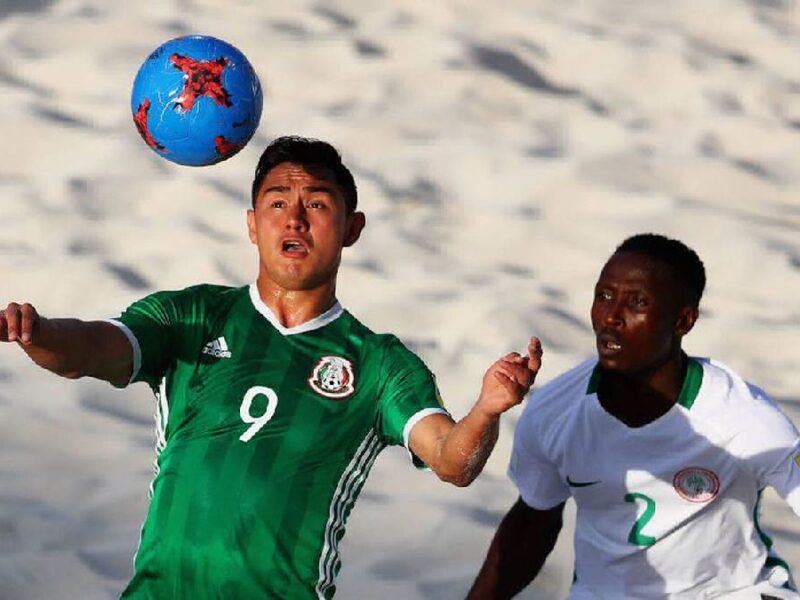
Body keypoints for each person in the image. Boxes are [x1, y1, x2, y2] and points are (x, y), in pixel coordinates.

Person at [0, 136, 542, 599]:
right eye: (277, 202)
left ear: (352, 228)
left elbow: (453, 460)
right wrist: (39, 331)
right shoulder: (192, 315)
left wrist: (488, 409)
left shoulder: (380, 364)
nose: (295, 218)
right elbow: (90, 350)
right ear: (253, 225)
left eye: (317, 204)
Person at [468, 233, 800, 600]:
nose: (611, 317)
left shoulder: (743, 416)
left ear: (683, 321)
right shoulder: (553, 412)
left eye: (637, 302)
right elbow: (531, 528)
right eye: (604, 296)